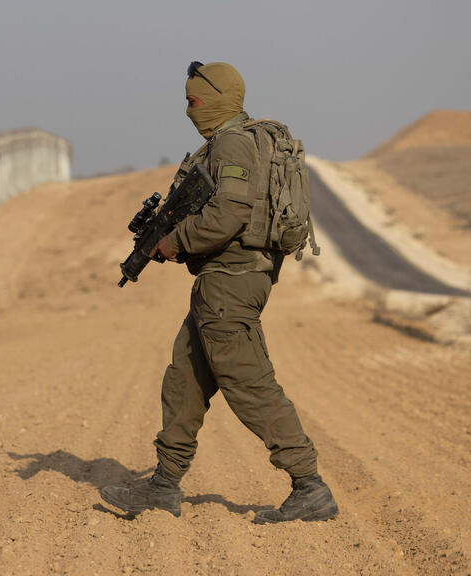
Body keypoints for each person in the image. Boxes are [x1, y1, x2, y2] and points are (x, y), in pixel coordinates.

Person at [100, 62, 338, 524]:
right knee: (185, 379)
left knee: (249, 383)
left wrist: (176, 242)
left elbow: (229, 213)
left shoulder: (232, 142)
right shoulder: (232, 141)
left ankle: (309, 485)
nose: (188, 110)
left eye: (193, 102)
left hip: (232, 282)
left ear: (215, 100)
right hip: (220, 282)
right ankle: (164, 486)